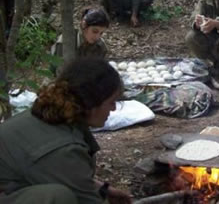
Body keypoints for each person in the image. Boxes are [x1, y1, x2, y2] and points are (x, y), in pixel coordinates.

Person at [0, 58, 132, 203]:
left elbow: (58, 173)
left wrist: (102, 189)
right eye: (111, 102)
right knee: (58, 197)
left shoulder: (56, 118)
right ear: (91, 102)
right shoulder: (61, 149)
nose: (113, 108)